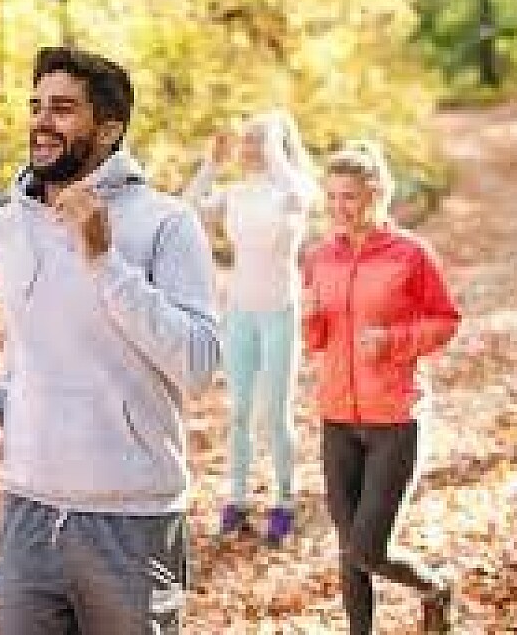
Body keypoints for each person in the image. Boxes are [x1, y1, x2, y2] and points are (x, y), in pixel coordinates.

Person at [0, 46, 221, 635]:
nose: (41, 122)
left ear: (109, 129)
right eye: (36, 107)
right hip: (26, 507)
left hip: (130, 514)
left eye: (62, 109)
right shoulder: (6, 228)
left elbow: (199, 365)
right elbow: (29, 340)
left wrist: (104, 260)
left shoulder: (166, 223)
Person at [302, 141, 460, 634]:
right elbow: (317, 341)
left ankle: (434, 586)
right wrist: (310, 320)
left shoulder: (411, 254)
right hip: (337, 416)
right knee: (348, 549)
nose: (338, 208)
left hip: (394, 418)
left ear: (376, 194)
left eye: (349, 197)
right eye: (331, 197)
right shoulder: (319, 257)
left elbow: (445, 321)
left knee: (367, 548)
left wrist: (392, 341)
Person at [183, 111, 316, 545]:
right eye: (249, 140)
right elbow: (187, 208)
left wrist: (275, 141)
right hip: (239, 313)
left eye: (260, 140)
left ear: (278, 144)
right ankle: (237, 500)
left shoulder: (293, 190)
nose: (253, 148)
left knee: (275, 413)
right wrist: (211, 163)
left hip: (280, 313)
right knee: (239, 412)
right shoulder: (237, 192)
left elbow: (299, 194)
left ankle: (284, 501)